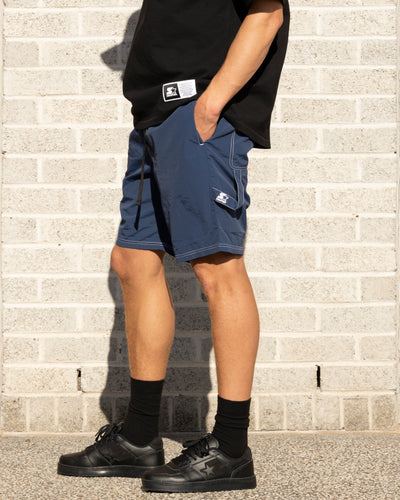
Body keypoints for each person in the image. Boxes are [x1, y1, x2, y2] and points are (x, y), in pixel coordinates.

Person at [57, 0, 290, 493]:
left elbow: (267, 13)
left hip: (199, 114)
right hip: (155, 117)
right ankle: (140, 436)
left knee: (216, 265)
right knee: (132, 259)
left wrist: (210, 105)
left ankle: (231, 449)